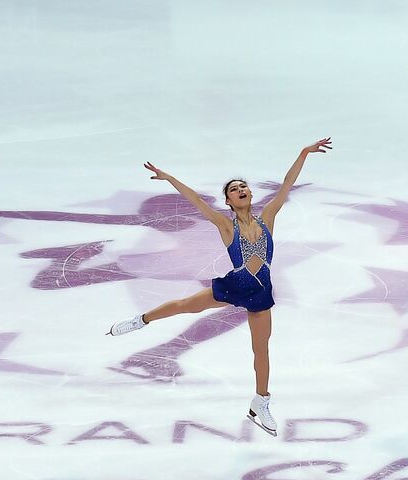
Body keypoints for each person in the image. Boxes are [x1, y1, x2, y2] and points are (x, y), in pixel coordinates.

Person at [106, 138, 332, 435]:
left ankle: (260, 402)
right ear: (228, 201)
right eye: (234, 189)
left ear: (250, 193)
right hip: (234, 286)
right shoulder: (228, 226)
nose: (240, 190)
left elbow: (287, 184)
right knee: (183, 306)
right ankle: (140, 321)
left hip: (261, 292)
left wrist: (303, 153)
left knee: (261, 349)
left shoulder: (268, 218)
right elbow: (196, 202)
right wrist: (170, 178)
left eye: (243, 187)